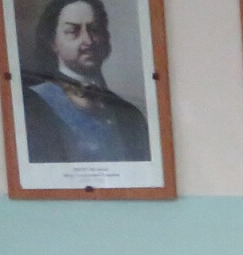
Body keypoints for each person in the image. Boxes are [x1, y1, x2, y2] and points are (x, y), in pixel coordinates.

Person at [21, 0, 151, 164]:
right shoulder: (32, 105)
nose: (88, 41)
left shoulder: (130, 115)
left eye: (94, 29)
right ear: (53, 42)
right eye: (72, 31)